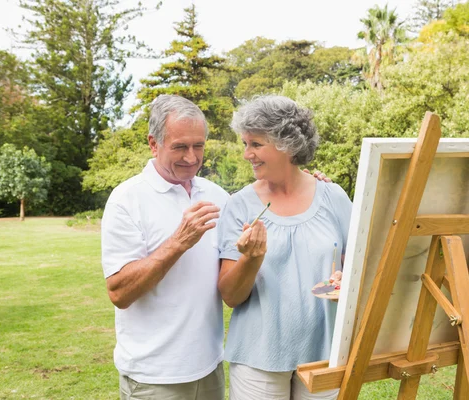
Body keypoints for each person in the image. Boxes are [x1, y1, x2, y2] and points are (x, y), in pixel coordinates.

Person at [218, 96, 352, 400]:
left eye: (255, 144)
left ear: (286, 143)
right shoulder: (239, 206)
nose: (246, 154)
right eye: (245, 143)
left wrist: (348, 279)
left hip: (324, 354)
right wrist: (251, 259)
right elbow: (230, 296)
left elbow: (359, 266)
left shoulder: (333, 197)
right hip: (258, 358)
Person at [101, 95, 228, 400]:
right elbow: (119, 292)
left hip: (210, 367)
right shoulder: (126, 199)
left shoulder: (217, 195)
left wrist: (310, 186)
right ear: (153, 144)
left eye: (199, 145)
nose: (192, 157)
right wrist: (178, 242)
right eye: (180, 146)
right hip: (154, 378)